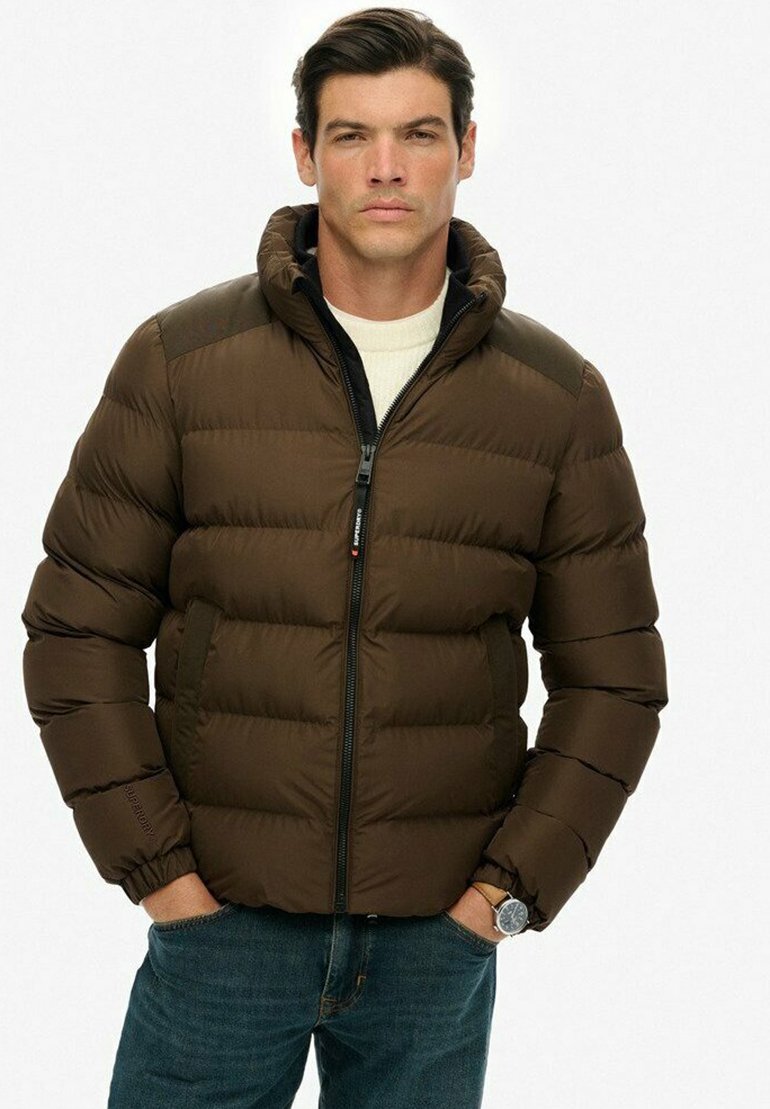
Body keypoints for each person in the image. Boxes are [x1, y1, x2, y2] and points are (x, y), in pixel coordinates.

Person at [20, 7, 668, 1107]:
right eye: (351, 135)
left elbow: (614, 677)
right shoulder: (181, 364)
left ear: (466, 149)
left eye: (418, 134)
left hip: (435, 945)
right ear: (303, 152)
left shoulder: (554, 399)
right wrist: (161, 874)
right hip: (222, 931)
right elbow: (76, 627)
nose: (385, 167)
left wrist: (504, 895)